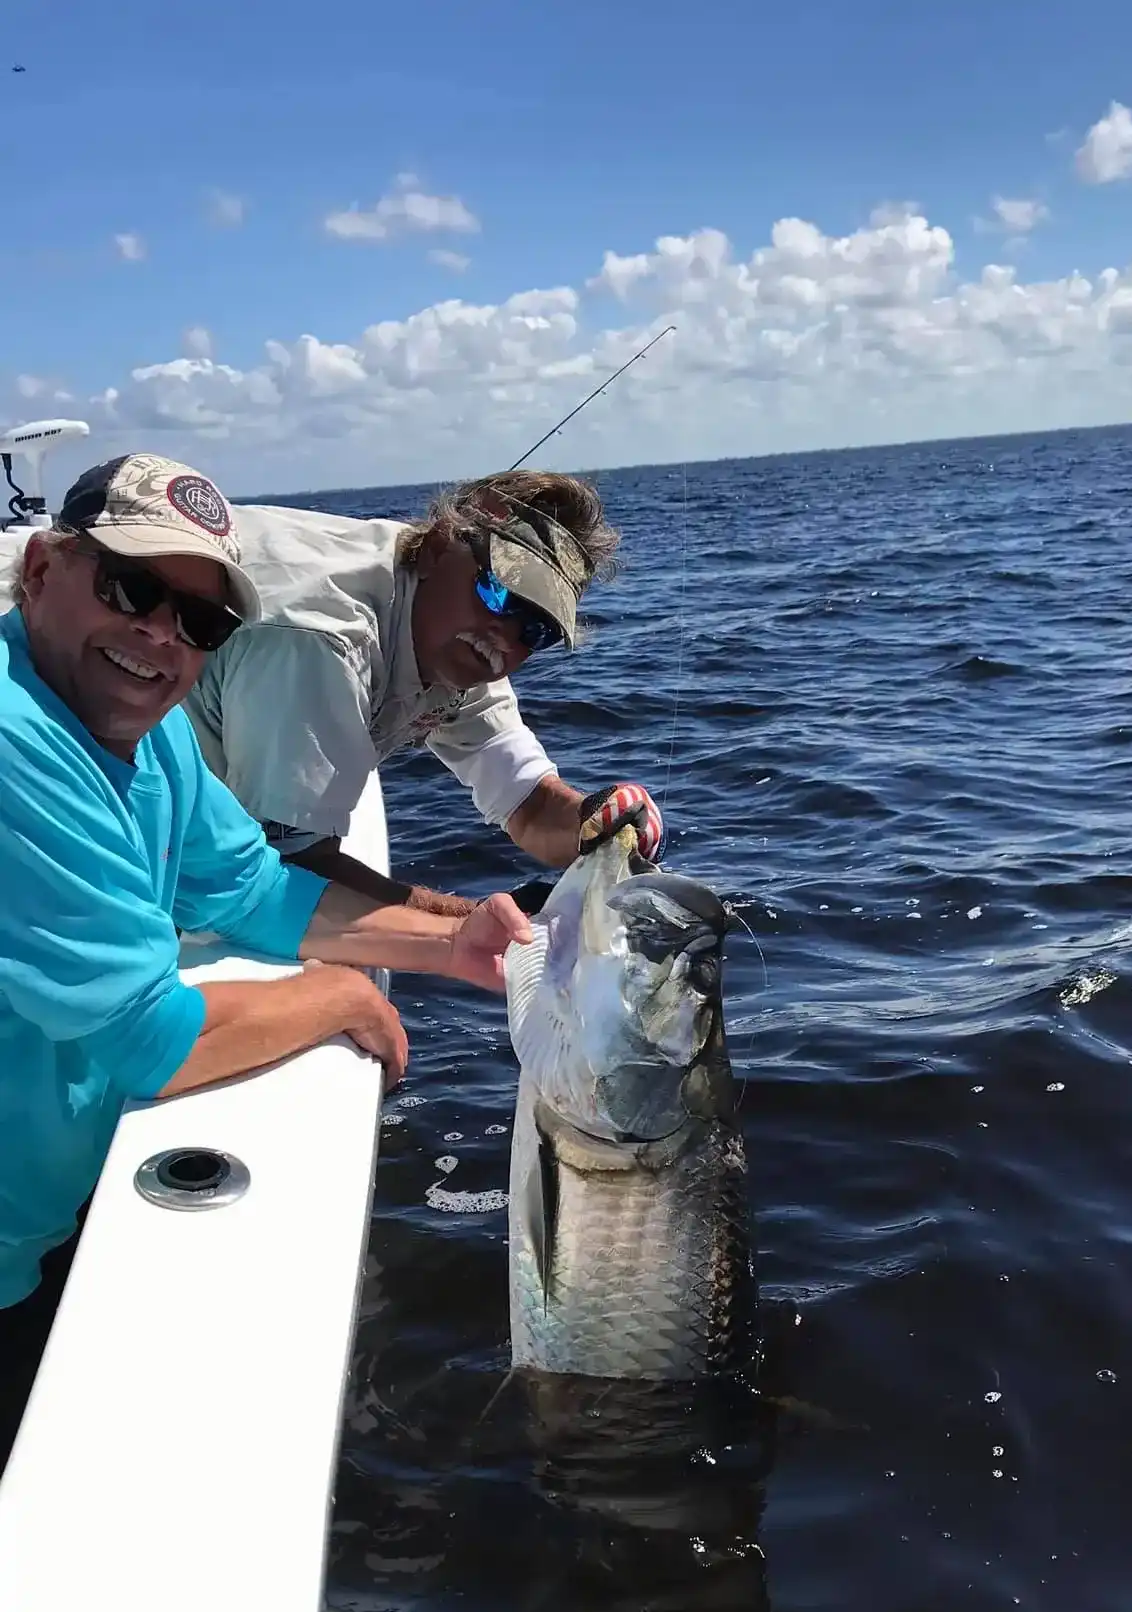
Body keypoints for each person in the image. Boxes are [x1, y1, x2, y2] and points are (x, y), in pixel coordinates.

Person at [0, 451, 563, 1450]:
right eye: (133, 587)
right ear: (42, 569)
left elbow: (251, 888)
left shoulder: (143, 722)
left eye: (201, 622)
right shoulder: (18, 743)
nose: (159, 635)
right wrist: (338, 997)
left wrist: (451, 942)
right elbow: (150, 1037)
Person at [180, 467, 665, 916]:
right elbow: (283, 875)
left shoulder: (453, 631)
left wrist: (594, 822)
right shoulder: (321, 639)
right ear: (436, 547)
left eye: (535, 627)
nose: (507, 635)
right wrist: (482, 923)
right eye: (498, 593)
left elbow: (529, 802)